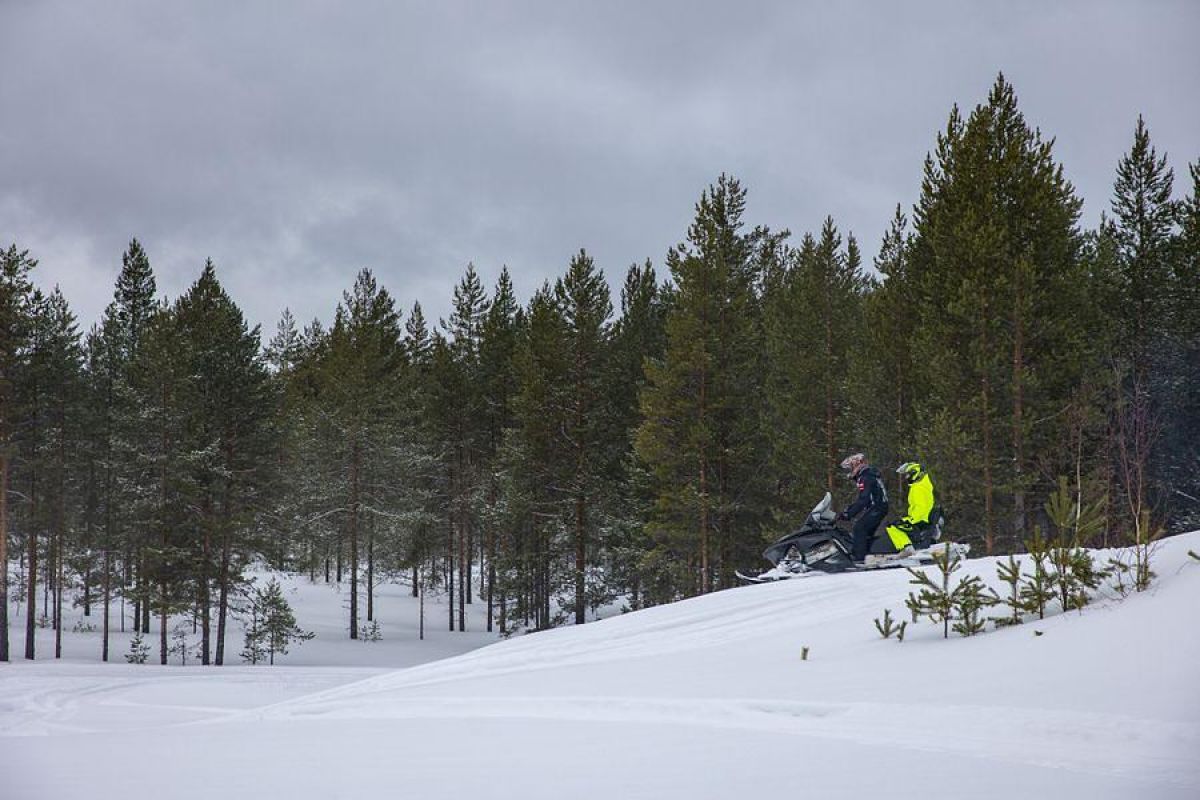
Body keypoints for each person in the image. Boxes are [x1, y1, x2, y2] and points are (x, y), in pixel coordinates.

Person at [837, 453, 890, 563]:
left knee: (859, 528)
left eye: (850, 468)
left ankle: (859, 558)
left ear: (857, 465)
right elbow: (864, 499)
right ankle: (869, 554)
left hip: (877, 507)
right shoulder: (869, 474)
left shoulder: (865, 477)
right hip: (879, 506)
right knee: (866, 531)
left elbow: (863, 500)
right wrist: (848, 510)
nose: (849, 472)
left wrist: (849, 513)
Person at [887, 462, 936, 549]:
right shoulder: (922, 485)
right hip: (921, 518)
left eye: (908, 475)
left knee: (892, 527)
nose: (906, 477)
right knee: (897, 524)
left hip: (919, 520)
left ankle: (906, 547)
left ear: (915, 474)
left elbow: (920, 507)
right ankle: (908, 546)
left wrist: (911, 520)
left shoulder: (918, 488)